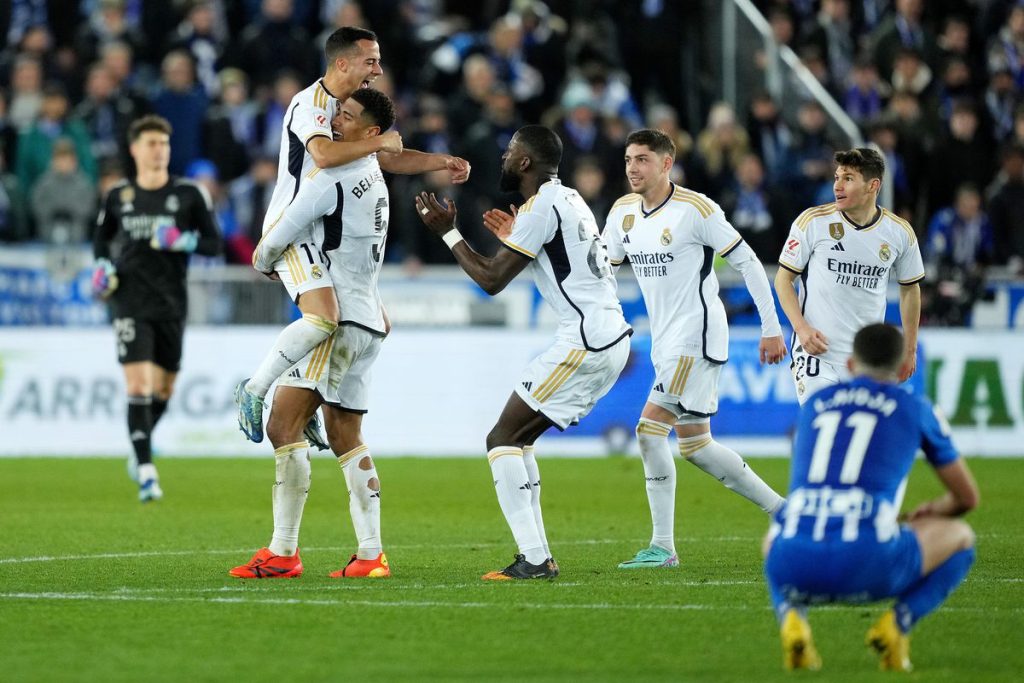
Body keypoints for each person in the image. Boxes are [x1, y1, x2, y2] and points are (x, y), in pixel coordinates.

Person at [233, 26, 469, 446]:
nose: (378, 71)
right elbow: (324, 155)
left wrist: (441, 161)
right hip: (292, 228)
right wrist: (378, 144)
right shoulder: (309, 104)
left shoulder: (349, 110)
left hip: (321, 232)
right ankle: (254, 390)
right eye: (370, 62)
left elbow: (385, 157)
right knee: (325, 317)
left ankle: (305, 402)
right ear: (343, 63)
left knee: (367, 321)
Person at [416, 125, 632, 580]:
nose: (504, 158)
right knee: (519, 439)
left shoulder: (540, 207)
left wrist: (448, 233)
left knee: (501, 439)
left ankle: (534, 559)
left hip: (585, 341)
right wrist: (521, 237)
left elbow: (492, 280)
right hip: (607, 335)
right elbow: (561, 255)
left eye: (510, 151)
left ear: (526, 162)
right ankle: (537, 556)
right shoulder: (569, 199)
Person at [229, 88, 397, 580]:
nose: (335, 121)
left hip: (338, 323)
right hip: (371, 321)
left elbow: (286, 227)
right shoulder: (375, 175)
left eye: (347, 116)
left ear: (370, 132)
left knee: (283, 426)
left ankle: (283, 552)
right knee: (347, 435)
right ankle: (371, 556)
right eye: (337, 112)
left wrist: (263, 259)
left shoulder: (334, 175)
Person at [600, 129, 787, 569]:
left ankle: (663, 547)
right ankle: (784, 511)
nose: (632, 168)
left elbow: (748, 262)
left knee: (649, 431)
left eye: (642, 159)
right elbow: (601, 269)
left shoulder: (696, 209)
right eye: (628, 159)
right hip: (665, 341)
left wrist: (771, 327)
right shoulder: (622, 212)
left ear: (667, 164)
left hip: (695, 336)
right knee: (697, 446)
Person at [764, 323, 979, 671]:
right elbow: (967, 498)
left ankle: (792, 618)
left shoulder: (816, 403)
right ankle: (897, 625)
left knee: (777, 534)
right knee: (962, 537)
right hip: (870, 565)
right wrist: (931, 510)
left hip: (793, 565)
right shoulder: (916, 407)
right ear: (904, 367)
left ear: (850, 364)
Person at [91, 114, 222, 502]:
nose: (159, 150)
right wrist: (102, 268)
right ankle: (147, 471)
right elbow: (101, 239)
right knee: (138, 385)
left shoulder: (190, 194)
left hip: (171, 302)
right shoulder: (119, 195)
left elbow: (214, 243)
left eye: (164, 144)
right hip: (129, 298)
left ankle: (140, 444)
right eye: (151, 143)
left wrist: (183, 241)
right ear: (135, 149)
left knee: (164, 388)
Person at [775, 148, 924, 405]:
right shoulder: (813, 222)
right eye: (837, 177)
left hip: (867, 357)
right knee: (823, 418)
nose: (838, 186)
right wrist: (801, 329)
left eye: (848, 178)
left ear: (873, 186)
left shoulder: (899, 233)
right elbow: (782, 280)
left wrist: (910, 350)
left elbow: (910, 289)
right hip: (817, 353)